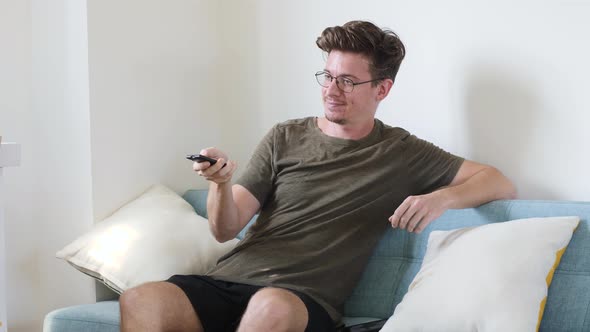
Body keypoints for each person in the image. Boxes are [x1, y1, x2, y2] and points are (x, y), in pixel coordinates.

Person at [119, 20, 516, 332]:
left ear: (383, 89)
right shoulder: (284, 136)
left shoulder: (401, 151)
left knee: (270, 306)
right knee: (141, 300)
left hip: (300, 302)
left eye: (347, 80)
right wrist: (220, 185)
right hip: (229, 283)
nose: (332, 89)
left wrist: (440, 198)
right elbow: (225, 230)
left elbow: (497, 180)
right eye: (327, 76)